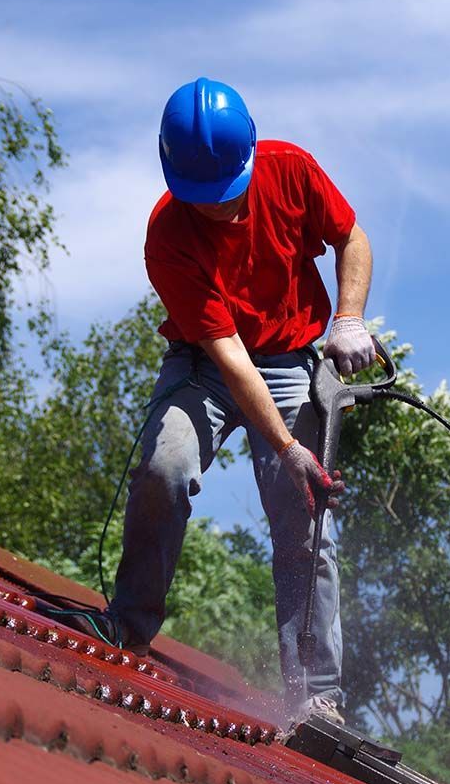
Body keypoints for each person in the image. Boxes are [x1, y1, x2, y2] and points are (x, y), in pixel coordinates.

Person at [101, 77, 375, 723]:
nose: (221, 210)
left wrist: (349, 319)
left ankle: (316, 694)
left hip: (290, 355)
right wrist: (285, 448)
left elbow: (352, 238)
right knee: (165, 466)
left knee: (305, 518)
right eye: (206, 200)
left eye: (229, 194)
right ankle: (130, 628)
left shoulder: (290, 170)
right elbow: (228, 356)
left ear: (250, 155)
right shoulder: (167, 237)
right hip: (210, 364)